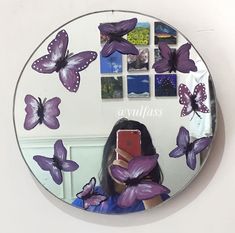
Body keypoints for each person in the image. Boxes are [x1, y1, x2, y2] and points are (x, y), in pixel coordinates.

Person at [72, 118, 169, 213]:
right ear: (107, 154)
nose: (126, 162)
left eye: (134, 155)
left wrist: (140, 184)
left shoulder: (160, 201)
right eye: (118, 153)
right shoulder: (90, 198)